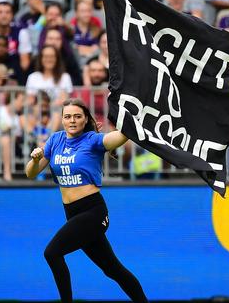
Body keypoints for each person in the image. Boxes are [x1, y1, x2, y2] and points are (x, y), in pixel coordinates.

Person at [25, 98, 148, 303]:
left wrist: (134, 119)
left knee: (52, 253)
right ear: (62, 120)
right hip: (71, 213)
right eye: (67, 116)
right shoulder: (55, 140)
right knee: (113, 270)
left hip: (93, 212)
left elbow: (119, 137)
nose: (72, 120)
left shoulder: (92, 140)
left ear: (85, 120)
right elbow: (31, 173)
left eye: (77, 116)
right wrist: (36, 159)